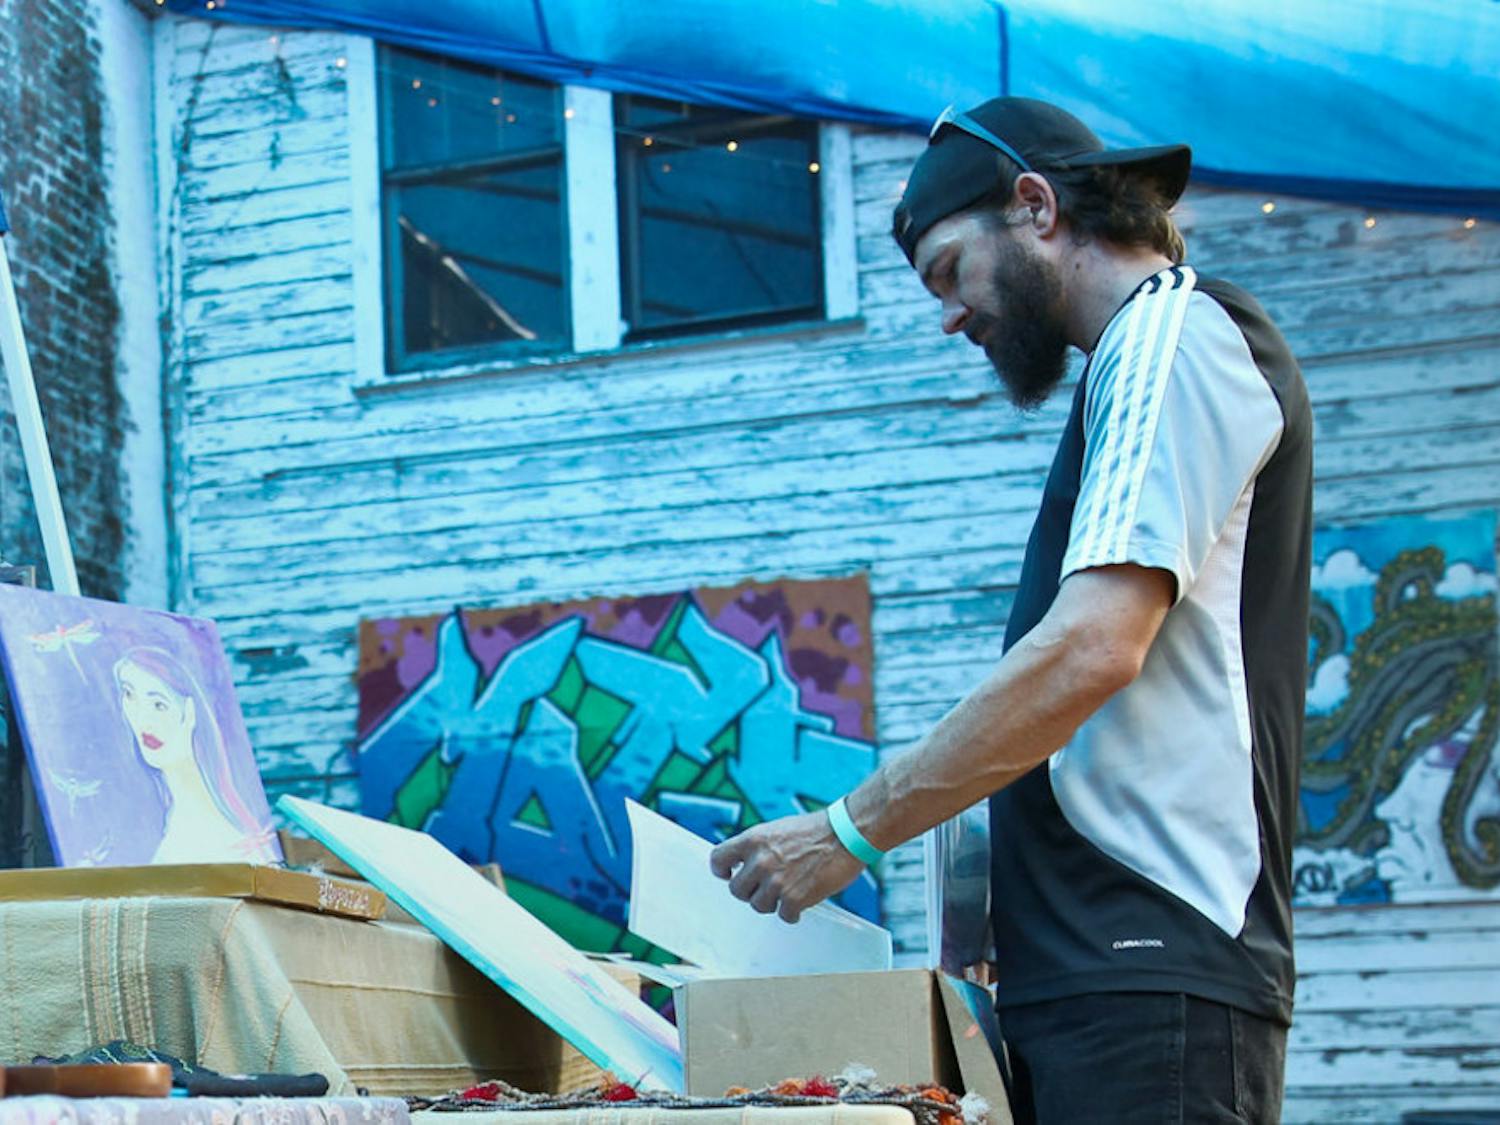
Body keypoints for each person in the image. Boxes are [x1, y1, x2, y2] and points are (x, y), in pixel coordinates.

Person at [709, 97, 1312, 1124]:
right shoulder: (1133, 362)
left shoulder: (1173, 333)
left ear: (1035, 206)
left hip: (1150, 969)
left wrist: (846, 833)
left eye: (948, 270)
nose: (947, 314)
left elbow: (1089, 652)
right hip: (1103, 975)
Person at [115, 647, 279, 865]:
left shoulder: (209, 831)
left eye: (159, 705)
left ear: (191, 712)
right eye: (129, 694)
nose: (143, 720)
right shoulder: (172, 816)